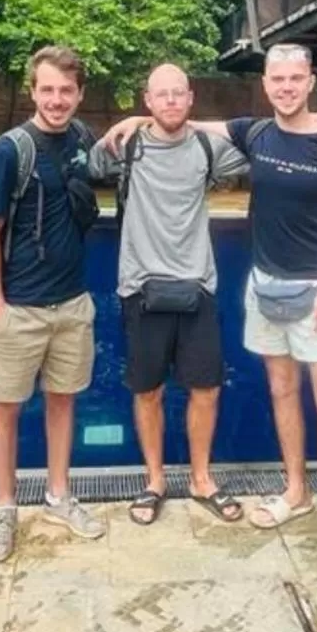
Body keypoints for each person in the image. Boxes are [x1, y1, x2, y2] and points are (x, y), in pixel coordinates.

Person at [102, 44, 317, 569]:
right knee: (282, 392)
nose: (286, 87)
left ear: (310, 82)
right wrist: (139, 118)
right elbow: (186, 121)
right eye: (277, 79)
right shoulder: (255, 133)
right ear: (265, 84)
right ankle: (296, 492)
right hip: (266, 287)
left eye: (295, 79)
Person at [89, 64, 251, 527]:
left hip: (197, 284)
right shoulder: (128, 145)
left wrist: (316, 120)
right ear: (148, 99)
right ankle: (155, 480)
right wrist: (131, 124)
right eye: (161, 95)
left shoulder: (207, 147)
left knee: (206, 388)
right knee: (148, 390)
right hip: (141, 287)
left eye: (178, 93)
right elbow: (90, 163)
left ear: (191, 98)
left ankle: (201, 478)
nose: (171, 101)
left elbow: (259, 146)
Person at [0, 45, 107, 563]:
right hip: (21, 308)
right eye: (47, 89)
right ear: (32, 91)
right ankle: (5, 507)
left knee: (62, 401)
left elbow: (132, 139)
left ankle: (58, 495)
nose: (56, 100)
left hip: (72, 304)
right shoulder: (11, 150)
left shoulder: (82, 139)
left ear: (79, 94)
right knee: (6, 407)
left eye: (66, 91)